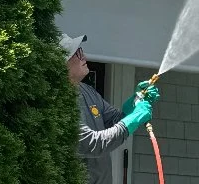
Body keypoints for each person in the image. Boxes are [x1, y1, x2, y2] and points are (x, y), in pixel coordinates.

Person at [60, 33, 160, 184]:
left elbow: (114, 121)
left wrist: (135, 101)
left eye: (81, 50)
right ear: (61, 62)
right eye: (76, 53)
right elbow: (92, 144)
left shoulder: (87, 90)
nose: (83, 56)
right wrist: (135, 117)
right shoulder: (59, 101)